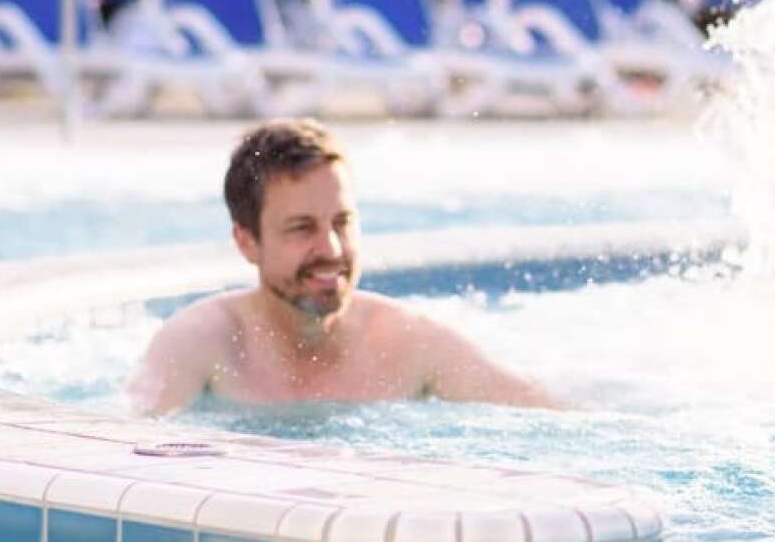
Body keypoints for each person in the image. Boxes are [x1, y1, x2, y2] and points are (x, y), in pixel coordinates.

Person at [126, 119, 558, 416]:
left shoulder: (408, 342)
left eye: (342, 222)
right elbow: (122, 440)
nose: (331, 248)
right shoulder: (201, 344)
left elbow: (550, 419)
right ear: (246, 241)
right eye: (301, 228)